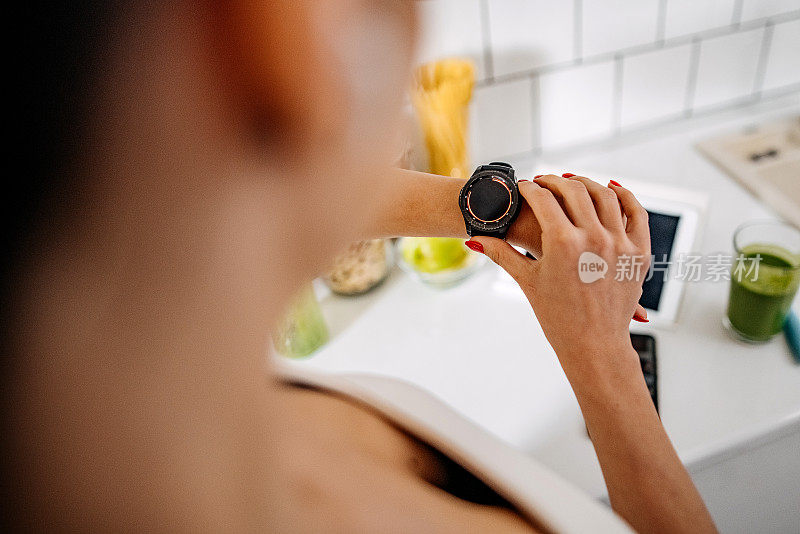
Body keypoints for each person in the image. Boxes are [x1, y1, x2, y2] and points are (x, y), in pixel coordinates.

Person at [7, 1, 717, 532]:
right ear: (273, 39)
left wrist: (497, 210)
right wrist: (604, 359)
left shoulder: (125, 365)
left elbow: (284, 179)